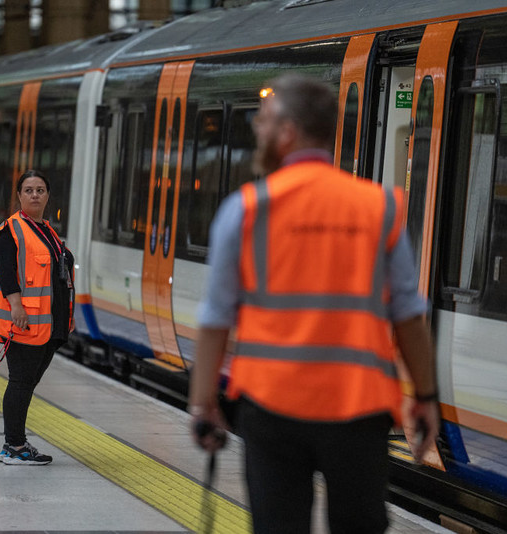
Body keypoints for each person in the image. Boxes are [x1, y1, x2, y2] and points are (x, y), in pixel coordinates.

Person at [188, 74, 439, 533]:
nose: (257, 131)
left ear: (287, 131)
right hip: (359, 407)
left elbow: (215, 317)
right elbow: (407, 313)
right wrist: (425, 396)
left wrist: (204, 402)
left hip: (271, 406)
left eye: (262, 121)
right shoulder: (377, 207)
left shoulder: (246, 210)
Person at [0, 169, 74, 465]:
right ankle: (13, 447)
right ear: (19, 195)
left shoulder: (45, 229)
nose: (35, 195)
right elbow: (6, 271)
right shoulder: (11, 230)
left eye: (40, 190)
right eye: (29, 190)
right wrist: (16, 306)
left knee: (27, 383)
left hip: (49, 324)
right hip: (26, 321)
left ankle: (16, 443)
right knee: (20, 381)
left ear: (48, 196)